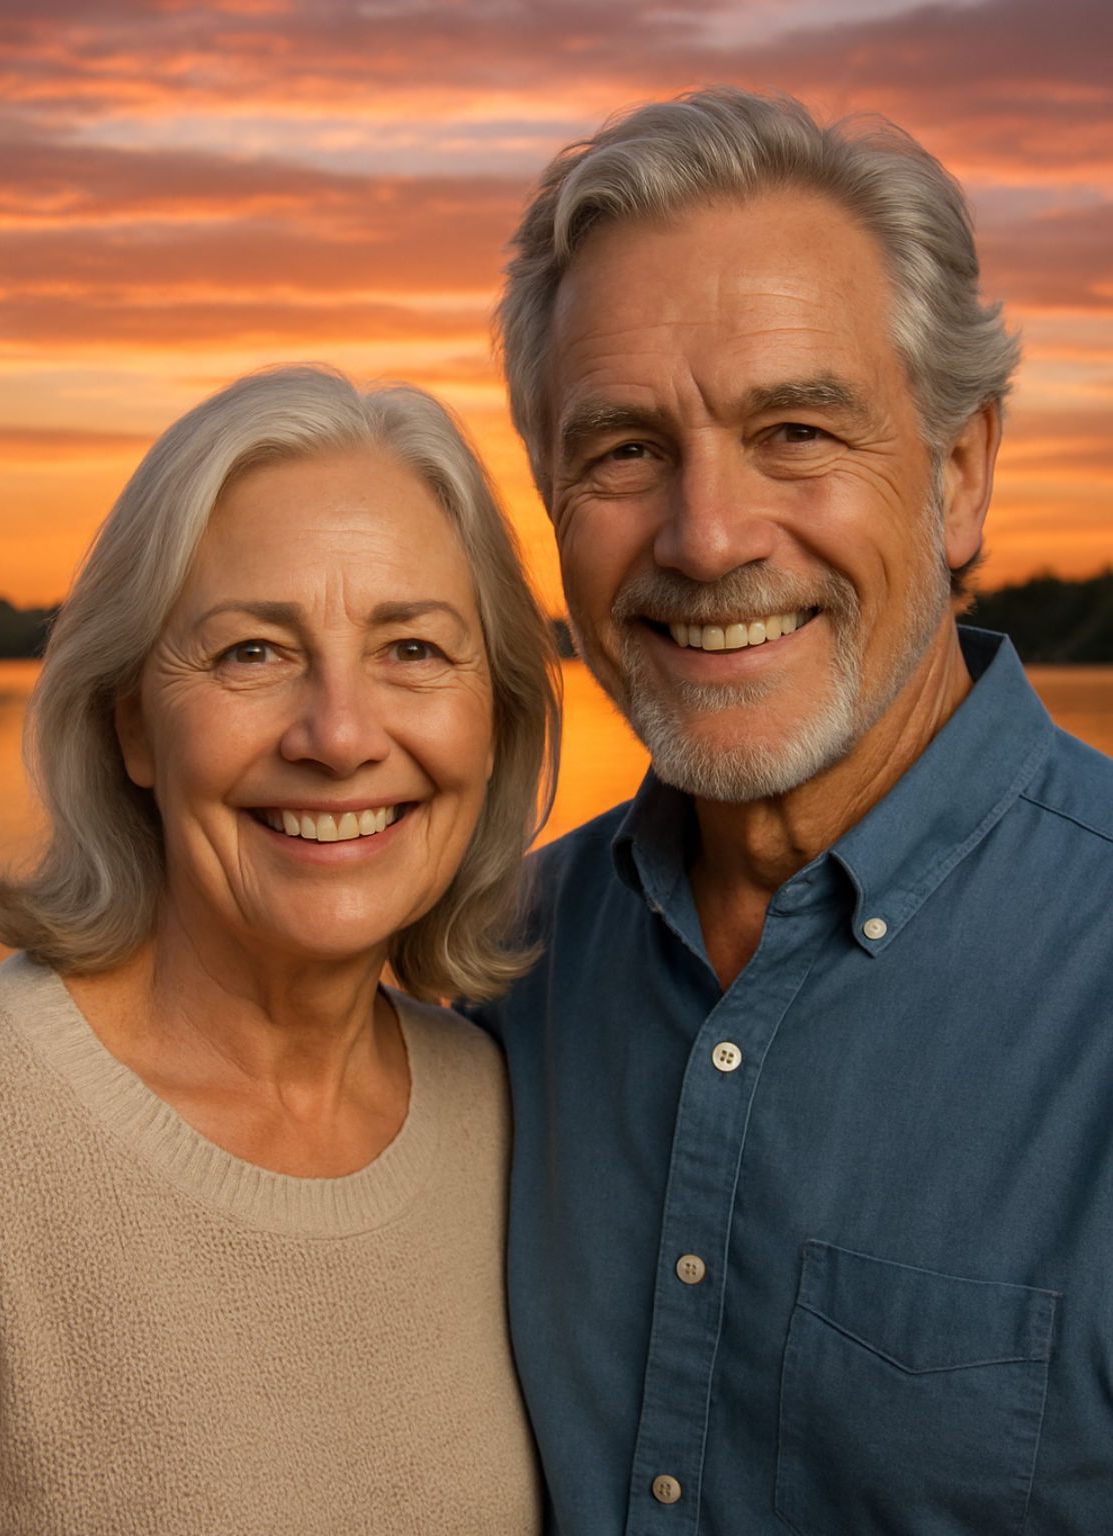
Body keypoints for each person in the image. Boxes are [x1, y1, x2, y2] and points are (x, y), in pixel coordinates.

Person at [469, 88, 1113, 1533]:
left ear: (959, 474)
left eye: (799, 429)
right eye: (624, 448)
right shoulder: (487, 974)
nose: (707, 537)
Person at [0, 364, 559, 1535]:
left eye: (414, 650)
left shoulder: (504, 1110)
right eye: (251, 652)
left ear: (495, 720)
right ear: (133, 720)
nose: (339, 735)